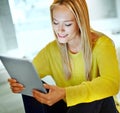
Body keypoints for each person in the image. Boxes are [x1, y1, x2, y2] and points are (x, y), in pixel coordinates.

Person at [8, 0, 120, 113]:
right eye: (55, 22)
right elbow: (28, 73)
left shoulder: (103, 44)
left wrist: (66, 92)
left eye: (67, 24)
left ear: (80, 22)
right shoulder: (51, 50)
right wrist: (19, 83)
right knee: (32, 86)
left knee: (97, 94)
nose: (59, 30)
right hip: (70, 109)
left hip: (103, 108)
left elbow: (112, 84)